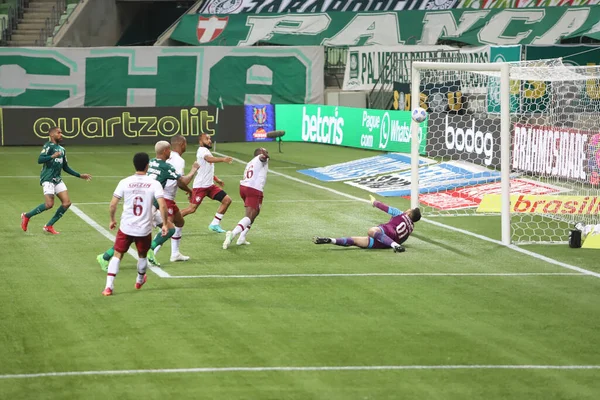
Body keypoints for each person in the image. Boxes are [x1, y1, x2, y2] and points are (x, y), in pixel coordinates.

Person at [97, 141, 199, 271]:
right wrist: (194, 170)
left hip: (147, 203)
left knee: (170, 228)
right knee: (133, 236)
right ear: (165, 151)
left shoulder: (150, 162)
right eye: (169, 150)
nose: (170, 152)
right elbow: (183, 181)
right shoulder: (166, 167)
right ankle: (105, 257)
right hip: (148, 207)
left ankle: (150, 249)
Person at [102, 152, 169, 296]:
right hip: (144, 229)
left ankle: (108, 287)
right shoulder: (154, 183)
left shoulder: (124, 182)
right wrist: (164, 224)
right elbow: (162, 206)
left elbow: (113, 204)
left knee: (117, 255)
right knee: (142, 256)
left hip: (126, 227)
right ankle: (139, 280)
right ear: (147, 166)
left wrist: (112, 219)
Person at [21, 127, 92, 234]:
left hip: (57, 179)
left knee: (66, 203)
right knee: (49, 204)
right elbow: (40, 159)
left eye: (61, 133)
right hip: (48, 178)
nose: (61, 134)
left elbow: (65, 167)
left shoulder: (62, 150)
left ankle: (49, 225)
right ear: (52, 135)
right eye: (59, 133)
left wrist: (79, 175)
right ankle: (26, 216)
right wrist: (51, 156)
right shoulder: (48, 146)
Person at [313, 195, 421, 253]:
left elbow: (385, 207)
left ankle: (395, 245)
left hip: (388, 233)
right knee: (355, 241)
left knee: (371, 231)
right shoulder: (411, 228)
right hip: (385, 243)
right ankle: (330, 240)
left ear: (409, 212)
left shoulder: (400, 214)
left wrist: (374, 202)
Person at [152, 136, 193, 263]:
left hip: (164, 196)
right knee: (167, 227)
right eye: (185, 143)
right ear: (181, 144)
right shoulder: (179, 160)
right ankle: (150, 253)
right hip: (165, 197)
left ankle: (175, 254)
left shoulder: (162, 158)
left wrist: (188, 190)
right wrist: (194, 170)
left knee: (179, 222)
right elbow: (180, 182)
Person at [181, 133, 233, 233]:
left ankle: (214, 224)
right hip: (200, 186)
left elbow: (206, 168)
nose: (209, 140)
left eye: (210, 138)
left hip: (210, 186)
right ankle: (167, 221)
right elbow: (209, 159)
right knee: (191, 209)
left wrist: (216, 179)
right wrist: (223, 159)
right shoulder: (202, 150)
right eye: (207, 139)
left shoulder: (207, 151)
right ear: (201, 141)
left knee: (227, 200)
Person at [222, 148, 269, 249]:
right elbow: (263, 157)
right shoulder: (260, 158)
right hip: (254, 189)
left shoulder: (251, 162)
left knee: (255, 212)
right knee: (249, 216)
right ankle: (233, 234)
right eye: (266, 151)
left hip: (244, 188)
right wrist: (264, 155)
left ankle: (242, 237)